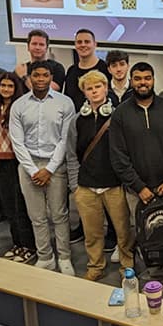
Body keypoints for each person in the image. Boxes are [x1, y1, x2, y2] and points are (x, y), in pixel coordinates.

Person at [109, 62, 163, 275]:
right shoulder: (120, 114)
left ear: (153, 80)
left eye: (147, 78)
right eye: (138, 78)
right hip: (137, 192)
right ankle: (156, 275)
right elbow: (118, 156)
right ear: (131, 81)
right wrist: (139, 186)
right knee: (147, 233)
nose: (143, 83)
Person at [66, 71, 134, 280]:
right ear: (84, 92)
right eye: (89, 88)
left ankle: (127, 267)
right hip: (86, 187)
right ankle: (95, 265)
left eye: (98, 87)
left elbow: (127, 151)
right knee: (92, 233)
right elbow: (71, 154)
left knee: (124, 232)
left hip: (114, 186)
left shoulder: (118, 117)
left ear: (106, 89)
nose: (94, 91)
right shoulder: (77, 120)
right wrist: (75, 186)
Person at [10, 61, 76, 275]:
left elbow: (65, 140)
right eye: (36, 75)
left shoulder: (65, 103)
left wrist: (49, 169)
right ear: (29, 78)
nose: (40, 79)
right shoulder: (19, 105)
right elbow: (17, 142)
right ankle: (45, 256)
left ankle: (64, 257)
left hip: (55, 166)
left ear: (50, 77)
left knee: (59, 214)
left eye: (45, 75)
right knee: (36, 217)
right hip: (28, 165)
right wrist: (32, 169)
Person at [0, 72, 36, 263]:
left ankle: (29, 246)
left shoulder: (22, 108)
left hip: (17, 161)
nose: (6, 89)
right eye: (3, 86)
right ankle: (17, 244)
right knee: (8, 207)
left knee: (20, 207)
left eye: (10, 86)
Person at [64, 29, 110, 110]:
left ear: (95, 44)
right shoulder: (71, 71)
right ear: (75, 45)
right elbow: (68, 100)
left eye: (87, 42)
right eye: (79, 42)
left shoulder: (106, 69)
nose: (83, 45)